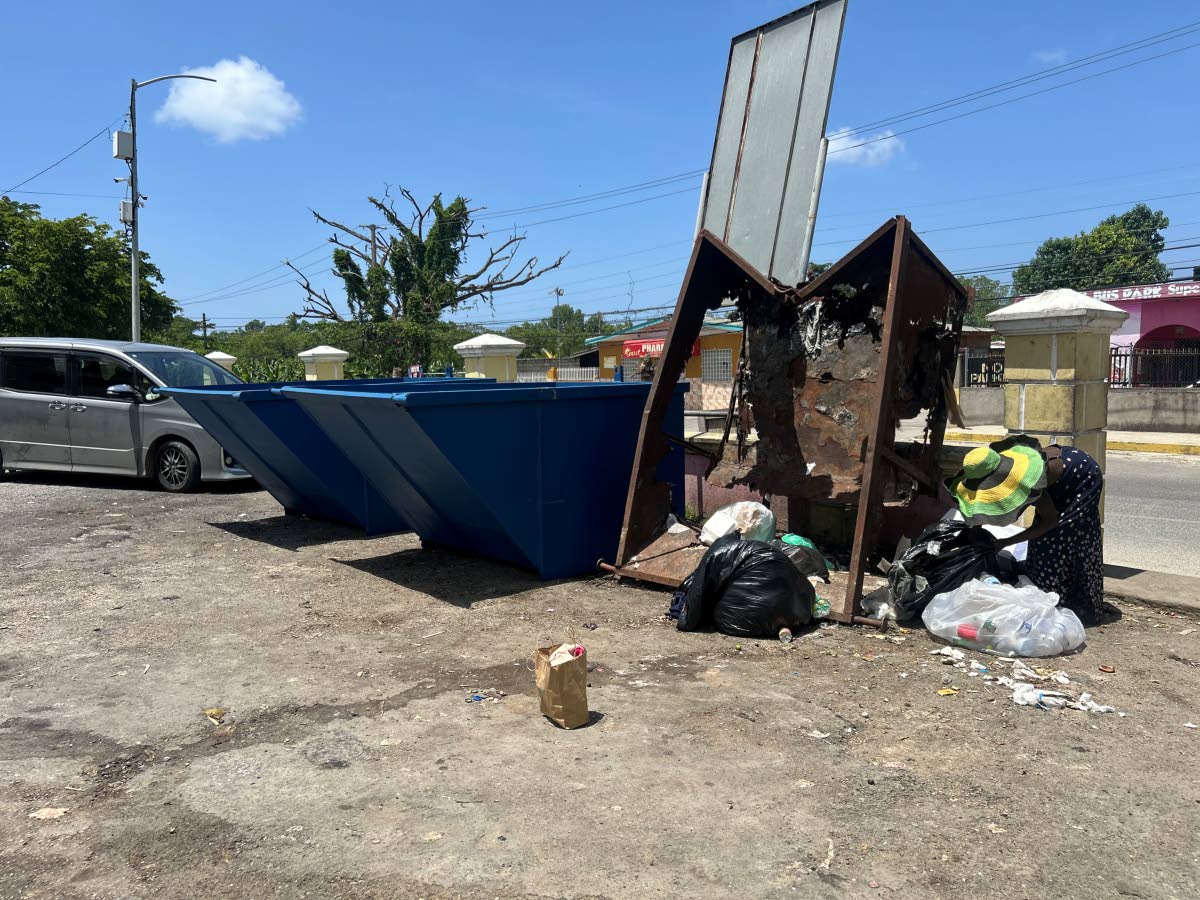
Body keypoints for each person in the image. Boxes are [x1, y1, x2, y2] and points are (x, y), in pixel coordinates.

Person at [945, 435, 1105, 626]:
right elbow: (975, 508)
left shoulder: (1028, 480)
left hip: (1082, 475)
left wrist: (1004, 543)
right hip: (1059, 472)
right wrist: (973, 531)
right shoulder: (997, 465)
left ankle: (1069, 602)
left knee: (1057, 538)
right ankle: (1048, 588)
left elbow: (1050, 522)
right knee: (1041, 539)